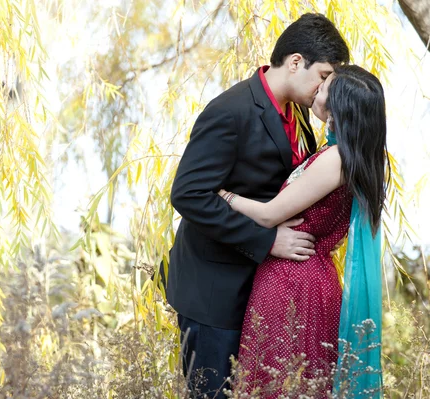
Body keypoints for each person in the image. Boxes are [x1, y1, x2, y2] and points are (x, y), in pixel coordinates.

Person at [161, 13, 349, 398]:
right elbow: (188, 193)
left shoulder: (298, 115)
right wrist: (267, 241)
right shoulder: (231, 111)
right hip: (214, 293)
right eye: (323, 75)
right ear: (296, 62)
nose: (325, 88)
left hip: (261, 293)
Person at [219, 64, 386, 398]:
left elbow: (268, 216)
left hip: (294, 281)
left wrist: (225, 195)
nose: (318, 87)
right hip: (303, 276)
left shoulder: (336, 158)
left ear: (338, 105)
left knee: (279, 382)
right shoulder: (341, 154)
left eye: (326, 84)